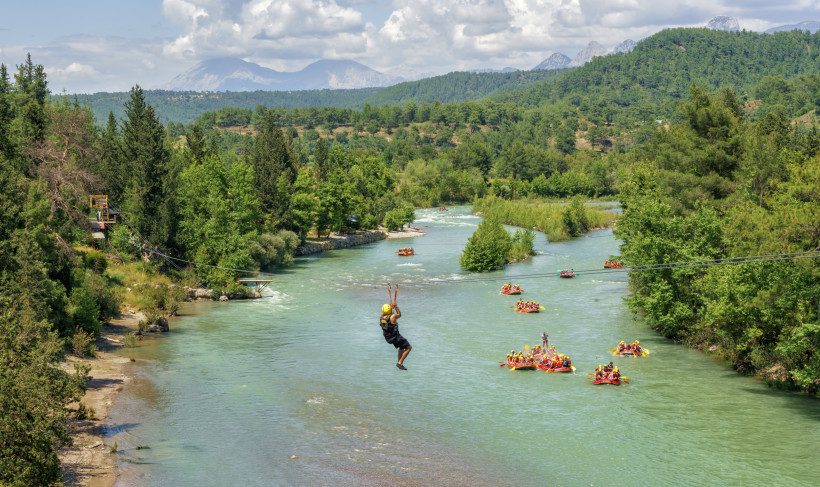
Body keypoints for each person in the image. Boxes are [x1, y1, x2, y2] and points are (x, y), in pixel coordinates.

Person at [380, 284, 411, 370]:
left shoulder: (381, 317)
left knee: (401, 347)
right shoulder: (393, 317)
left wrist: (390, 308)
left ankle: (399, 363)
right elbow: (399, 315)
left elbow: (388, 315)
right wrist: (395, 306)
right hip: (395, 337)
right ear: (389, 310)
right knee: (409, 347)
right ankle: (400, 362)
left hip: (388, 338)